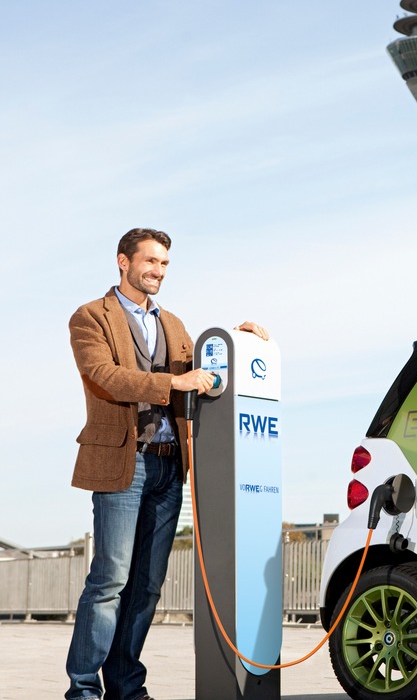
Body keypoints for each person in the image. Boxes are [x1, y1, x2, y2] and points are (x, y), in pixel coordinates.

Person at [65, 228, 268, 700]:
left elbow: (204, 364)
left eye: (164, 264)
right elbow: (103, 376)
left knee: (148, 587)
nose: (157, 271)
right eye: (150, 262)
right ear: (123, 261)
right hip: (123, 463)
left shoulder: (173, 324)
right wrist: (172, 385)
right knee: (110, 580)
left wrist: (238, 340)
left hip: (169, 467)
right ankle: (82, 690)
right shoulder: (91, 316)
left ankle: (126, 687)